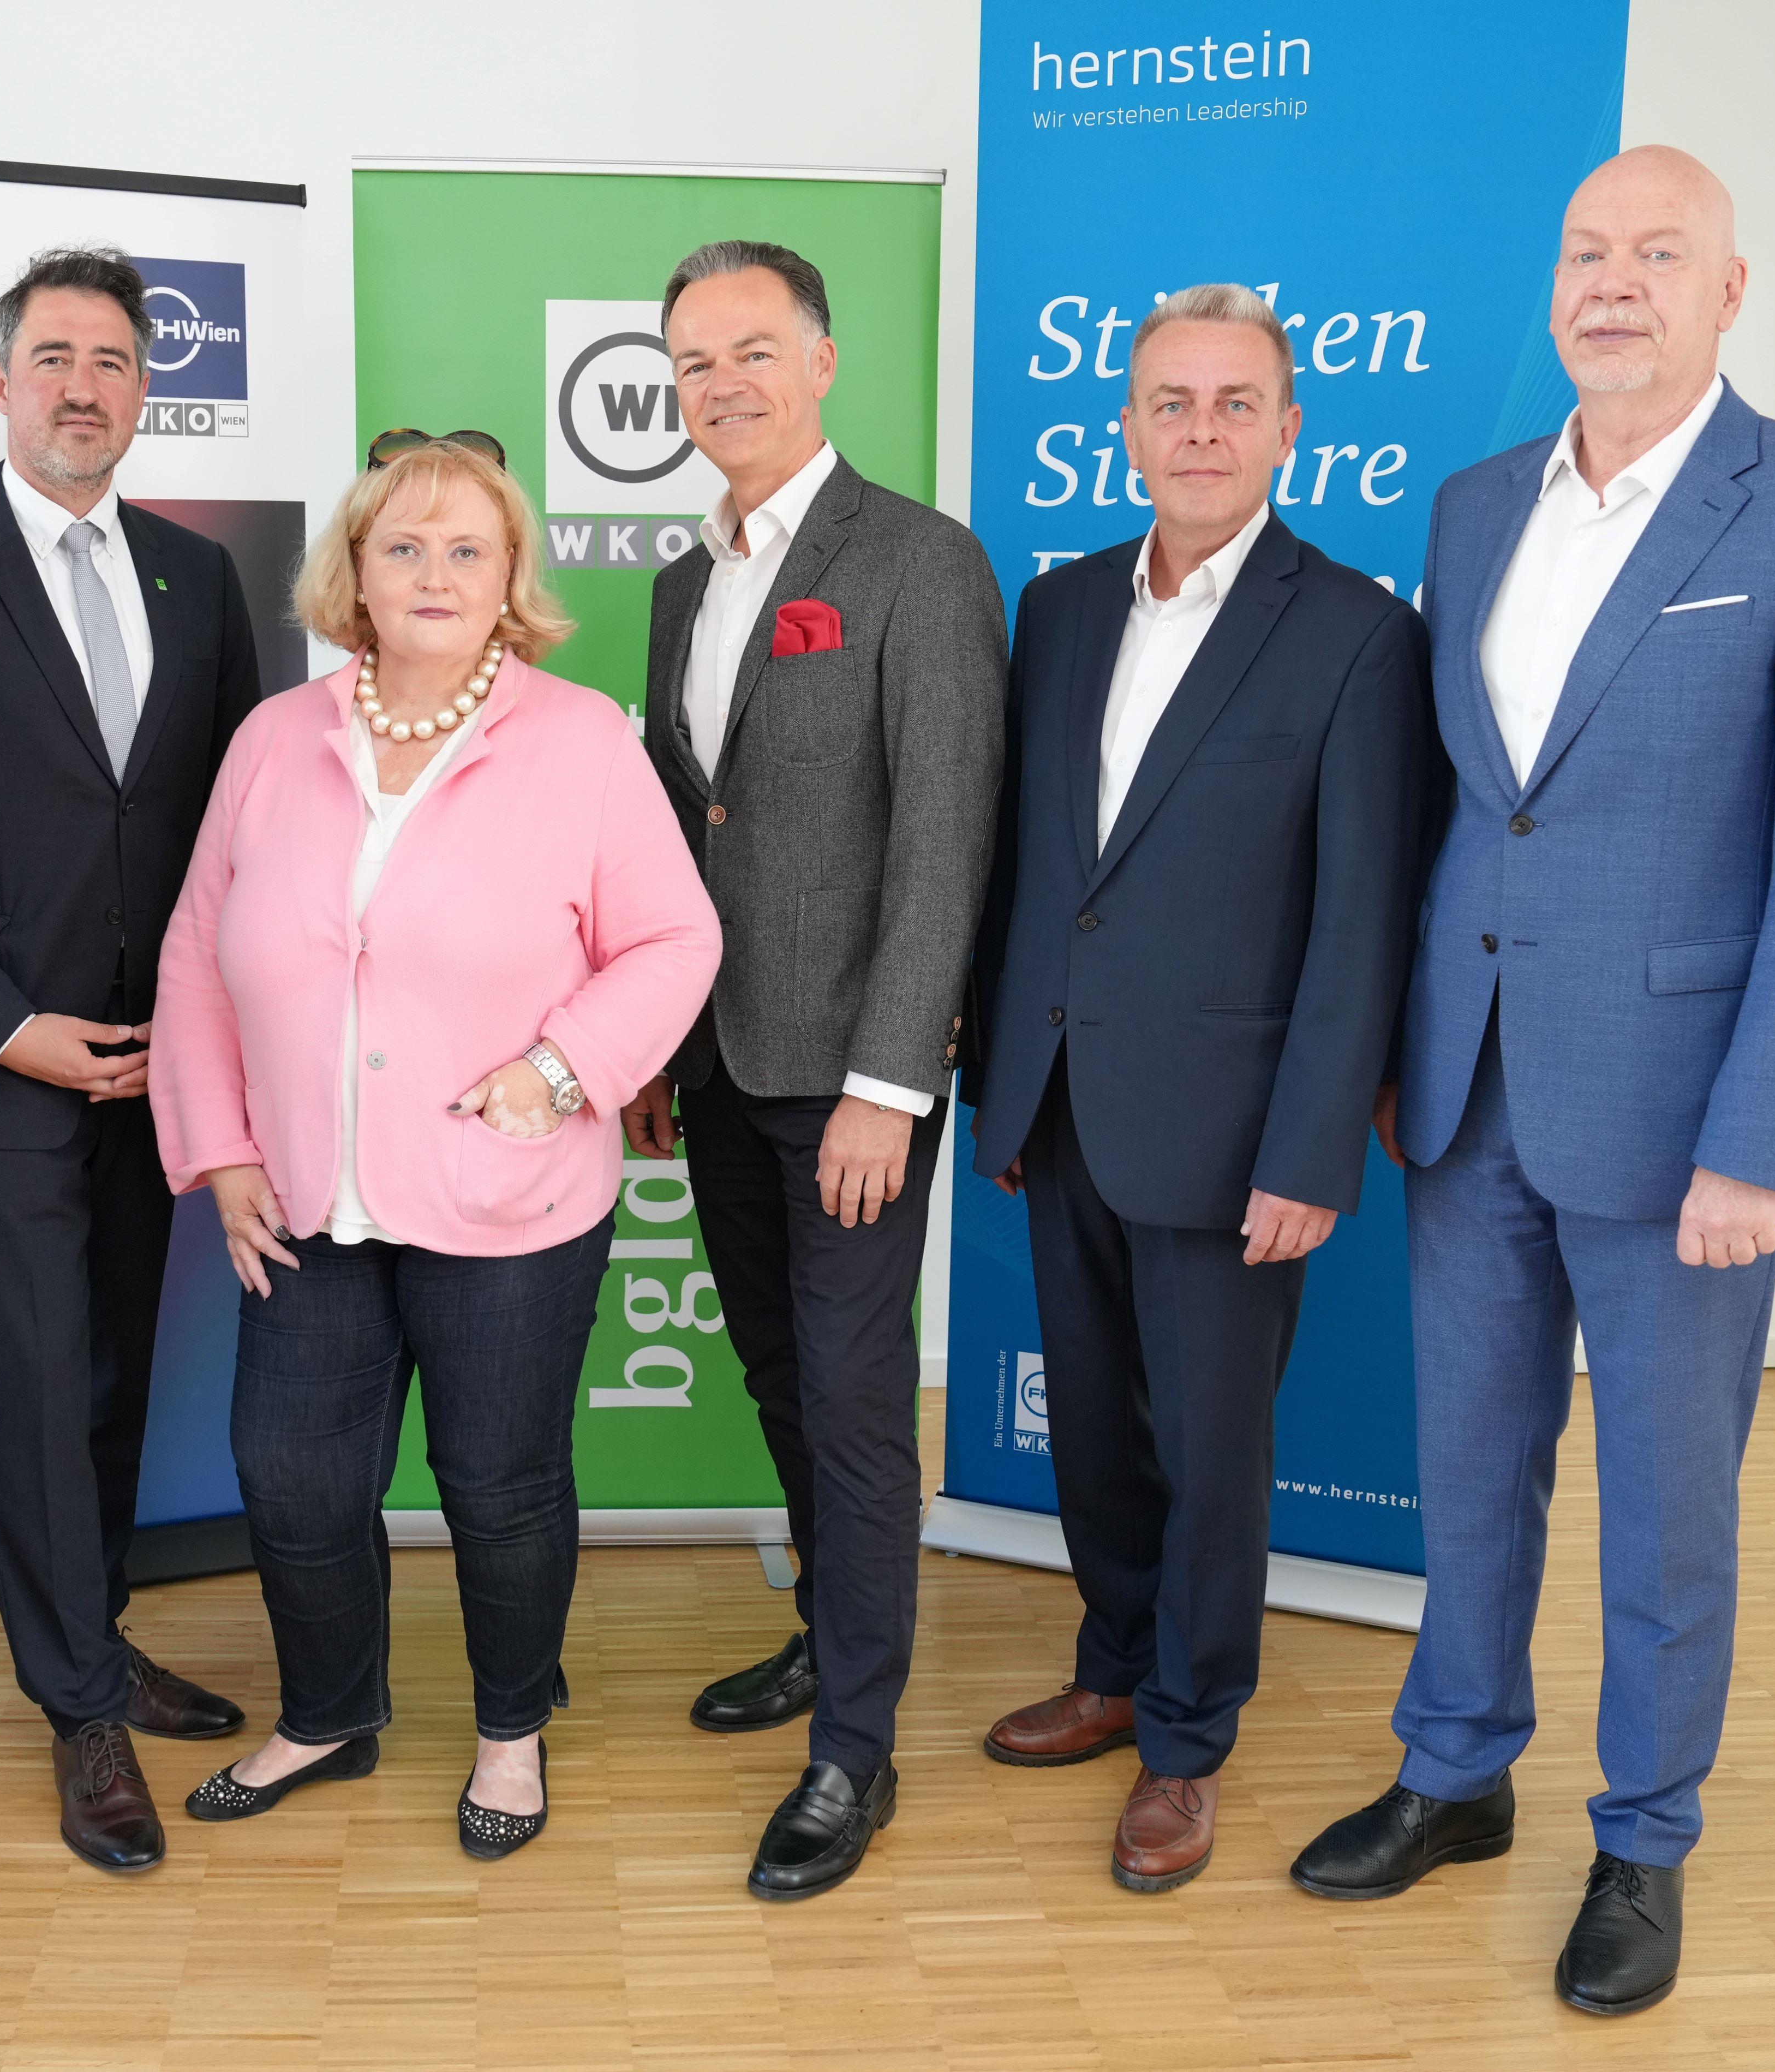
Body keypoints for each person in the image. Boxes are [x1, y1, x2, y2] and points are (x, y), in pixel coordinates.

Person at [1288, 148, 1775, 2016]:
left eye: (1661, 251)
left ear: (1730, 291)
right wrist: (1402, 1049)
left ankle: (1644, 1840)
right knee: (1469, 1465)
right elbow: (1464, 809)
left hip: (1683, 1119)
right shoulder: (1478, 501)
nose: (1615, 281)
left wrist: (1762, 1137)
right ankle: (1454, 1772)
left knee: (1666, 1506)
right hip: (1470, 1089)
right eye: (1588, 251)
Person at [151, 432, 719, 1857]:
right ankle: (329, 1715)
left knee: (501, 1484)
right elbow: (197, 954)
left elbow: (675, 938)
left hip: (508, 1200)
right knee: (293, 1474)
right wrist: (219, 1150)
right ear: (354, 571)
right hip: (304, 1195)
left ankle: (511, 1734)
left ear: (512, 574)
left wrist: (560, 1070)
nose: (434, 573)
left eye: (469, 549)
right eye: (403, 546)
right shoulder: (273, 740)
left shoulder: (581, 740)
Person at [962, 285, 1435, 1893]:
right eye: (1172, 402)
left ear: (1291, 429)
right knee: (1094, 1425)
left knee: (1213, 1447)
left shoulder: (1359, 631)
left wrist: (1312, 1149)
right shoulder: (1060, 608)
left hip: (1236, 1133)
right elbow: (1033, 868)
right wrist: (1005, 1082)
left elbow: (1364, 918)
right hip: (1062, 1102)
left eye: (1238, 403)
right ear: (1127, 428)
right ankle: (1111, 1669)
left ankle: (1186, 1734)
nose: (1203, 431)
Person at [0, 247, 262, 1876]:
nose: (86, 388)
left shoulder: (198, 578)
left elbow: (233, 833)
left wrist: (212, 1040)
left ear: (147, 390)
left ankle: (95, 1635)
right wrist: (10, 1029)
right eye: (56, 358)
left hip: (157, 1066)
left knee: (108, 1376)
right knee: (27, 1380)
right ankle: (76, 1706)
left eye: (115, 362)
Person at [621, 241, 1005, 1900]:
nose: (724, 387)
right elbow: (674, 832)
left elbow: (945, 842)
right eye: (694, 364)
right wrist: (652, 1044)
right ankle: (826, 1632)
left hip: (853, 1083)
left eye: (754, 352)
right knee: (779, 1375)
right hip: (717, 1064)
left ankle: (857, 1745)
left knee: (853, 1407)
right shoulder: (679, 582)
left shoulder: (920, 560)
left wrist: (889, 1084)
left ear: (825, 362)